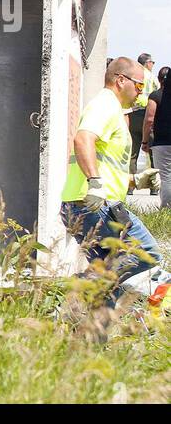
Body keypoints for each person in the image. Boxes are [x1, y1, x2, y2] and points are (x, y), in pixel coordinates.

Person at [60, 57, 169, 310]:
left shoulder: (113, 110)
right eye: (139, 86)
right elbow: (83, 139)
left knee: (110, 277)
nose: (141, 92)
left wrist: (134, 179)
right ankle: (79, 287)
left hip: (84, 203)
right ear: (121, 80)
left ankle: (89, 334)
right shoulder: (105, 104)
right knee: (147, 253)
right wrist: (95, 182)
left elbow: (106, 161)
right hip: (95, 204)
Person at [142, 68, 171, 206]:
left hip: (162, 142)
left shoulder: (156, 96)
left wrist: (145, 141)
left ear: (159, 80)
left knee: (166, 177)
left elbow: (149, 119)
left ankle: (167, 209)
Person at [128, 53, 160, 178]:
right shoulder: (152, 77)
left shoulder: (133, 75)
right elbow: (158, 93)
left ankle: (130, 185)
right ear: (147, 63)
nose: (153, 65)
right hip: (148, 115)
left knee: (132, 151)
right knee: (152, 151)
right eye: (153, 62)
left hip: (133, 114)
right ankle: (153, 185)